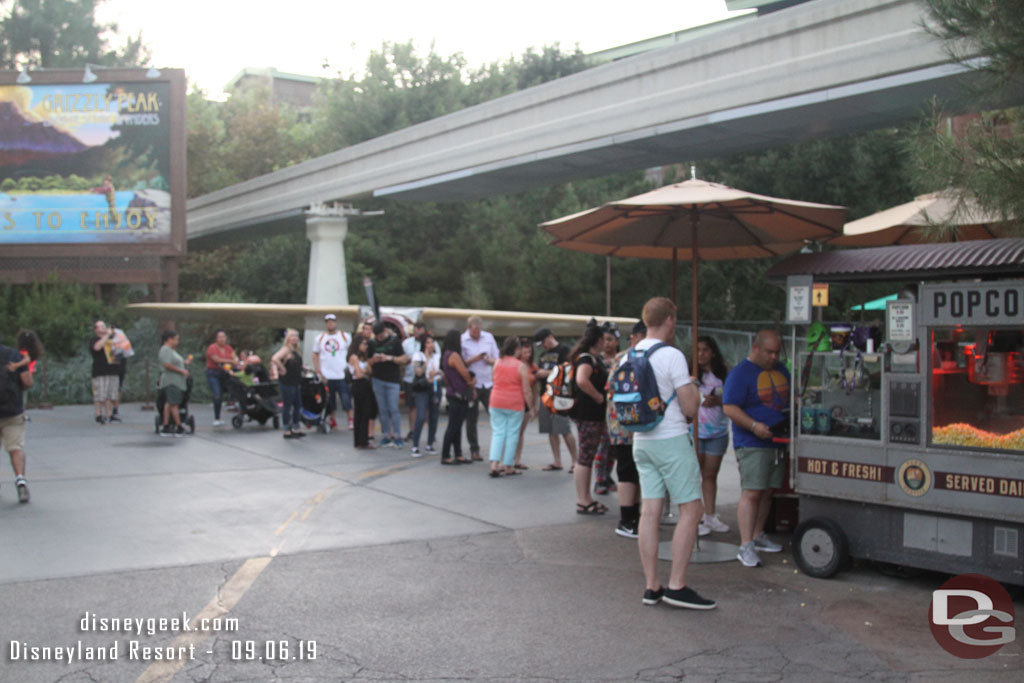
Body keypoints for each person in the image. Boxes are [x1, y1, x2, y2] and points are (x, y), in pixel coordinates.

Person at [630, 296, 715, 610]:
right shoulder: (671, 355)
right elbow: (691, 407)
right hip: (671, 440)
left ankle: (652, 586)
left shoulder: (631, 353)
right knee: (691, 511)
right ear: (669, 321)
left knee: (649, 512)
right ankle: (677, 585)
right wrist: (692, 386)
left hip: (642, 441)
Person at [722, 329, 789, 568]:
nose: (773, 357)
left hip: (777, 441)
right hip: (752, 442)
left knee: (768, 491)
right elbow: (729, 407)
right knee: (751, 492)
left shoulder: (781, 369)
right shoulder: (741, 373)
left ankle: (758, 534)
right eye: (769, 352)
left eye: (777, 352)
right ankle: (745, 544)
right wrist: (753, 426)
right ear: (756, 348)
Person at [608, 321, 646, 538]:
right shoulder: (630, 357)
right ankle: (626, 519)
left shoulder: (623, 357)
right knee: (627, 472)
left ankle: (636, 516)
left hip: (627, 423)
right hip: (624, 424)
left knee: (635, 472)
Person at [693, 335, 732, 536]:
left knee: (710, 474)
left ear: (713, 352)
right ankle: (695, 517)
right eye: (697, 350)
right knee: (695, 474)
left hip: (717, 431)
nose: (700, 354)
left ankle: (710, 515)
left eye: (705, 350)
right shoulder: (691, 374)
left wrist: (717, 401)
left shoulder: (724, 374)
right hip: (696, 431)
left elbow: (733, 399)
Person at [569, 325, 610, 514]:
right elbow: (581, 379)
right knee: (585, 456)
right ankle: (583, 499)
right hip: (588, 414)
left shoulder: (592, 358)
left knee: (587, 455)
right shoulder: (587, 359)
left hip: (590, 414)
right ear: (599, 340)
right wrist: (598, 397)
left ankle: (585, 497)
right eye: (604, 339)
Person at [487, 336, 536, 477]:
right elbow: (526, 390)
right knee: (512, 434)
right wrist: (531, 407)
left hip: (496, 401)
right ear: (517, 349)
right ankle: (508, 465)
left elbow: (494, 380)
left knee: (498, 433)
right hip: (514, 403)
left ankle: (494, 464)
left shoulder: (497, 363)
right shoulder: (521, 366)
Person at [534, 328, 578, 472]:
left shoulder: (564, 350)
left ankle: (575, 461)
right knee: (550, 430)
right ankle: (557, 461)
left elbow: (568, 370)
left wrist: (546, 373)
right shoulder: (543, 354)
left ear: (550, 337)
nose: (543, 347)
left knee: (564, 429)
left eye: (543, 343)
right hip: (545, 394)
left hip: (560, 395)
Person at [461, 316, 499, 461]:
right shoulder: (462, 340)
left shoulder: (488, 337)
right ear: (469, 328)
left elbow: (497, 358)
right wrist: (473, 359)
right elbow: (460, 363)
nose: (477, 334)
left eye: (479, 331)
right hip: (472, 384)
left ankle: (499, 446)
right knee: (472, 418)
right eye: (474, 332)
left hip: (488, 382)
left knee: (496, 415)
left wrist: (490, 360)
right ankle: (474, 449)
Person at [1, 333, 34, 502]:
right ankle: (20, 480)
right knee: (16, 448)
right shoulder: (14, 355)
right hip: (12, 410)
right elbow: (27, 382)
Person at [367, 322, 408, 448]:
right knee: (382, 409)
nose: (379, 338)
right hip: (377, 379)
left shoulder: (395, 341)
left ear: (385, 331)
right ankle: (386, 435)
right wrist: (374, 359)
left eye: (380, 335)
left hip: (392, 380)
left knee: (393, 408)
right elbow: (368, 361)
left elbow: (404, 359)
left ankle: (397, 435)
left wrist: (390, 358)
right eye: (376, 336)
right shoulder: (372, 343)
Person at [312, 313, 353, 431]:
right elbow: (315, 353)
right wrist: (318, 370)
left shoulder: (345, 336)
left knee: (346, 398)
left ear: (336, 322)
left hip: (341, 373)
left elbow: (351, 352)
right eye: (328, 322)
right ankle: (332, 419)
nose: (330, 323)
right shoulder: (319, 338)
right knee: (330, 400)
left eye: (332, 321)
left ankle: (350, 419)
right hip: (327, 374)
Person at [440, 329, 475, 465]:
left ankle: (458, 453)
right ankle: (446, 455)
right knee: (454, 426)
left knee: (456, 425)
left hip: (452, 393)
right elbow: (464, 372)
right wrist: (471, 382)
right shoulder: (454, 355)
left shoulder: (445, 355)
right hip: (458, 393)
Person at [593, 323, 621, 495]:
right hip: (603, 410)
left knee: (614, 447)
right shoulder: (597, 360)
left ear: (617, 341)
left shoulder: (622, 358)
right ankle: (600, 479)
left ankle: (608, 475)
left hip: (618, 410)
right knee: (603, 446)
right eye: (604, 340)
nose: (607, 343)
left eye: (610, 340)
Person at [410, 334, 442, 457]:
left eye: (432, 342)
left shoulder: (438, 356)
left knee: (434, 416)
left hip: (435, 386)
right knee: (421, 415)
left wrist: (438, 373)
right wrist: (427, 359)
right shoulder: (419, 356)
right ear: (424, 345)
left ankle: (430, 444)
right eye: (428, 343)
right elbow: (418, 372)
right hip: (422, 388)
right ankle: (415, 445)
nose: (431, 345)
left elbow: (440, 371)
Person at [272, 329, 306, 439]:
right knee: (288, 405)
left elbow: (296, 364)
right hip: (287, 382)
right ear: (288, 338)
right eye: (292, 336)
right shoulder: (286, 350)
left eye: (296, 336)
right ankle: (287, 429)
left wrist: (304, 368)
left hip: (295, 381)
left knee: (298, 405)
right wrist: (282, 368)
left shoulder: (296, 350)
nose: (294, 338)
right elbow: (275, 358)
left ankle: (296, 427)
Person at [513, 337, 540, 469]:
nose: (527, 355)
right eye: (524, 352)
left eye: (529, 352)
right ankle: (506, 459)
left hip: (526, 403)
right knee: (511, 432)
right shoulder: (515, 365)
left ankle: (517, 459)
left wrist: (535, 405)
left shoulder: (532, 367)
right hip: (514, 401)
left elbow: (534, 388)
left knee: (520, 432)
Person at [157, 329, 189, 437]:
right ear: (169, 339)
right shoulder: (165, 349)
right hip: (172, 381)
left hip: (175, 380)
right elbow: (167, 364)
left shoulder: (171, 350)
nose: (177, 342)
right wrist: (181, 371)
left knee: (169, 403)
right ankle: (178, 425)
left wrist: (184, 363)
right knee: (174, 403)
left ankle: (166, 425)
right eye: (176, 339)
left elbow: (174, 361)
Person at [205, 330, 240, 427]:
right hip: (213, 373)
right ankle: (217, 418)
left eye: (223, 337)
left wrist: (235, 360)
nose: (222, 339)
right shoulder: (212, 348)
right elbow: (217, 360)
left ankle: (235, 405)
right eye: (220, 337)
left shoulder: (228, 348)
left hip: (224, 373)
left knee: (236, 387)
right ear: (216, 338)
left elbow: (235, 357)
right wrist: (231, 361)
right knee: (217, 394)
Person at [89, 321, 121, 424]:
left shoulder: (111, 340)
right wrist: (107, 335)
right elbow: (97, 347)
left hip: (112, 370)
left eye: (104, 326)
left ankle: (109, 414)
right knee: (99, 394)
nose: (104, 328)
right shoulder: (94, 340)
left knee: (110, 394)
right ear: (96, 330)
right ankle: (98, 414)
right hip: (100, 371)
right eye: (101, 326)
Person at [348, 336, 377, 449]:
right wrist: (364, 372)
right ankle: (361, 440)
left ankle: (362, 439)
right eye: (363, 344)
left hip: (365, 384)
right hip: (358, 384)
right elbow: (358, 374)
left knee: (365, 411)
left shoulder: (364, 358)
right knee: (361, 412)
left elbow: (369, 370)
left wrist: (365, 370)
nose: (365, 347)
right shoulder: (354, 357)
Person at [402, 322, 427, 441]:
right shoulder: (407, 343)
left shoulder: (430, 343)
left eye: (421, 329)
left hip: (426, 379)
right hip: (410, 378)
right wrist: (409, 359)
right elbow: (401, 359)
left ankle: (426, 431)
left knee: (426, 406)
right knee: (411, 406)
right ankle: (412, 430)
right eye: (416, 329)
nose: (418, 331)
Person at [108, 323, 133, 422]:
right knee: (109, 386)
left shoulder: (120, 335)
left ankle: (115, 408)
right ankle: (109, 409)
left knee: (118, 387)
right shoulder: (104, 335)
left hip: (120, 361)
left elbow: (126, 349)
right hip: (108, 363)